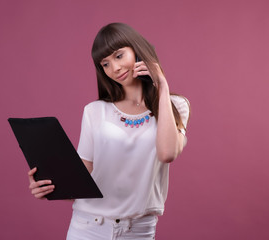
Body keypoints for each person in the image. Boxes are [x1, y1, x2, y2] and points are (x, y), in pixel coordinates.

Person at [28, 22, 190, 239]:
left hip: (138, 232)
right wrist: (49, 186)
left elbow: (167, 153)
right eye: (105, 64)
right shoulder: (95, 111)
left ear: (137, 50)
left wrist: (162, 85)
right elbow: (81, 179)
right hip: (87, 228)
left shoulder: (175, 106)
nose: (114, 68)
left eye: (119, 56)